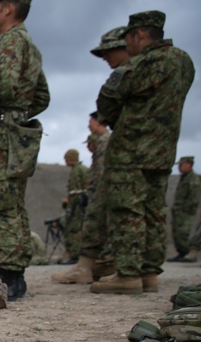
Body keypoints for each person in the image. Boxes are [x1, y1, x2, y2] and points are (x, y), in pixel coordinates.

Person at [93, 10, 195, 294]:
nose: (127, 46)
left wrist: (110, 117)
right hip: (163, 151)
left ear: (139, 35)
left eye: (128, 39)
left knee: (127, 209)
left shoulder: (141, 63)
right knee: (154, 210)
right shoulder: (184, 61)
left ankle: (128, 274)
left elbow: (109, 97)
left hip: (131, 149)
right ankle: (149, 272)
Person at [0, 0, 50, 301]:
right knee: (12, 203)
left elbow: (2, 84)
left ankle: (8, 276)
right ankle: (14, 275)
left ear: (7, 8)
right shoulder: (31, 46)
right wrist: (19, 112)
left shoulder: (10, 43)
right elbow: (42, 95)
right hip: (15, 133)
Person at [52, 28, 127, 286]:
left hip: (104, 191)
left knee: (95, 224)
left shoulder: (105, 143)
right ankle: (95, 264)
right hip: (96, 193)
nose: (89, 127)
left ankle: (90, 265)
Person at [169, 157, 201, 261]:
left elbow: (194, 197)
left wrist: (186, 210)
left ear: (188, 165)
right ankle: (182, 253)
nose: (179, 168)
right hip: (179, 210)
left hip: (186, 212)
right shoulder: (185, 177)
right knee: (177, 233)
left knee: (184, 233)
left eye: (181, 165)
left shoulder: (193, 179)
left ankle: (190, 253)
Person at [60, 148, 89, 263]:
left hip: (77, 207)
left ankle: (75, 255)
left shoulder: (77, 171)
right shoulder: (83, 169)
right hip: (82, 205)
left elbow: (75, 192)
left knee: (74, 229)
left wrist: (69, 207)